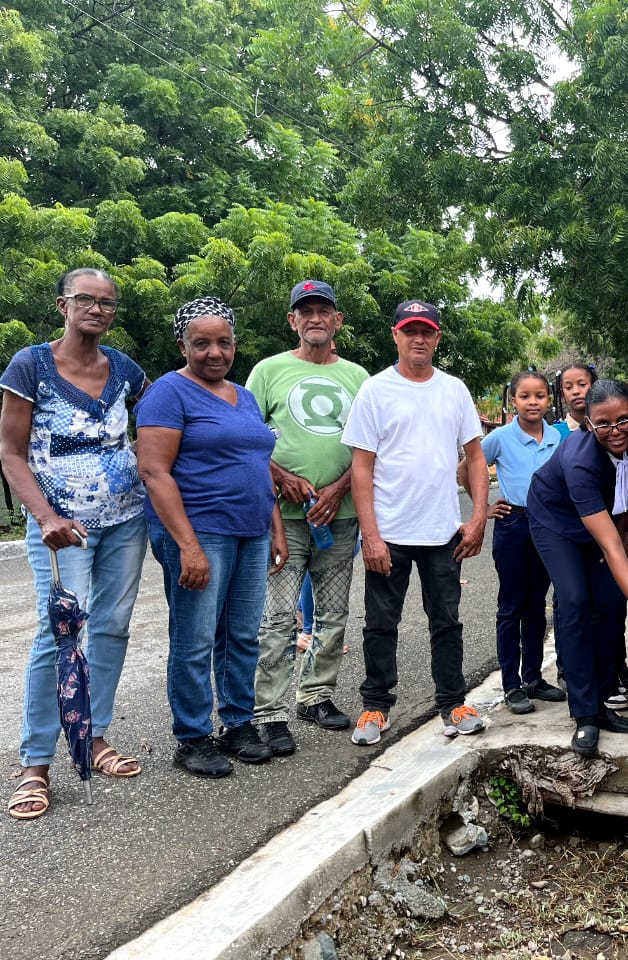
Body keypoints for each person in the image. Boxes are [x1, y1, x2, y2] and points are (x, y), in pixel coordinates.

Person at [1, 268, 150, 819]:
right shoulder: (31, 365)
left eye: (108, 302)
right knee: (59, 633)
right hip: (62, 526)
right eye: (86, 299)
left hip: (125, 519)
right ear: (63, 305)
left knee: (111, 626)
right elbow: (11, 452)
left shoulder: (126, 370)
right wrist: (43, 516)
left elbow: (161, 419)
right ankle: (35, 763)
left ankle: (93, 736)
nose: (97, 309)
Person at [135, 297, 287, 778]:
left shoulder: (244, 396)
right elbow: (154, 471)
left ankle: (237, 724)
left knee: (242, 634)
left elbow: (258, 463)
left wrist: (275, 526)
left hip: (250, 531)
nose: (214, 352)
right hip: (200, 531)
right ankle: (192, 736)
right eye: (201, 344)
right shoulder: (167, 393)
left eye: (223, 342)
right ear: (183, 344)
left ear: (234, 344)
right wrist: (188, 547)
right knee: (196, 637)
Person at [342, 300, 490, 745]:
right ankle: (375, 707)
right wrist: (371, 536)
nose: (419, 339)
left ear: (437, 338)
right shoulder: (375, 391)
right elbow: (361, 467)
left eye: (426, 331)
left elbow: (475, 457)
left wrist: (478, 516)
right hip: (389, 534)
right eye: (410, 331)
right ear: (396, 335)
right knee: (380, 624)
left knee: (446, 621)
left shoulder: (454, 390)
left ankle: (453, 703)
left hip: (443, 533)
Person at [246, 280, 369, 756]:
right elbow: (248, 437)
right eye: (306, 311)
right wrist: (281, 475)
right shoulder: (268, 370)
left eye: (325, 311)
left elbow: (365, 446)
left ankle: (316, 696)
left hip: (340, 515)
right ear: (293, 320)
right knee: (277, 618)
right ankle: (271, 713)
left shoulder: (358, 377)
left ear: (338, 321)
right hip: (286, 518)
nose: (315, 318)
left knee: (334, 612)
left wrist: (339, 490)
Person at [526, 379, 628, 757]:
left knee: (608, 603)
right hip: (556, 521)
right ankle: (586, 714)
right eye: (603, 423)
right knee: (574, 601)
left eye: (623, 420)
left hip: (601, 518)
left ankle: (603, 693)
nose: (616, 431)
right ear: (587, 422)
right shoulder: (579, 460)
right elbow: (609, 546)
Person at [482, 370, 565, 714]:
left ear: (549, 400)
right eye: (525, 396)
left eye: (540, 396)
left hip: (548, 527)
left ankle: (533, 677)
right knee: (512, 605)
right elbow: (466, 469)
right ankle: (511, 684)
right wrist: (484, 507)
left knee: (536, 604)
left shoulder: (558, 438)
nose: (533, 402)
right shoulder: (500, 437)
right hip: (513, 523)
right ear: (512, 400)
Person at [552, 362, 596, 437]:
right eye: (568, 387)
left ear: (594, 387)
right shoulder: (554, 433)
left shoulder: (607, 427)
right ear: (563, 395)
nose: (576, 391)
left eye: (582, 385)